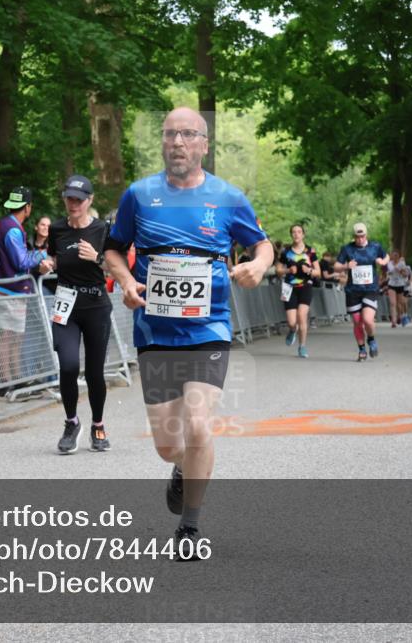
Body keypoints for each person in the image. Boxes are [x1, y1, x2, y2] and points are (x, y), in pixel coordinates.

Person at [103, 107, 273, 556]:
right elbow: (114, 250)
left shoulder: (228, 197)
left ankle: (190, 528)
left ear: (203, 144)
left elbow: (262, 244)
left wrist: (257, 264)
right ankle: (181, 467)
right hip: (155, 331)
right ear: (162, 142)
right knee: (166, 445)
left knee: (199, 425)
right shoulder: (139, 195)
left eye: (187, 134)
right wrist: (126, 281)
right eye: (170, 134)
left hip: (209, 328)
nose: (177, 142)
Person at [46, 175, 114, 453]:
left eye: (79, 199)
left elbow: (115, 268)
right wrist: (47, 263)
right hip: (66, 304)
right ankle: (71, 422)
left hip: (96, 305)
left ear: (90, 201)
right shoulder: (57, 229)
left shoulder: (102, 229)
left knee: (95, 372)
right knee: (69, 365)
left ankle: (98, 425)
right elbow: (54, 258)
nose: (73, 204)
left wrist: (96, 258)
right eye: (69, 198)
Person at [0, 187, 54, 397]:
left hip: (13, 289)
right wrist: (44, 253)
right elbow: (22, 261)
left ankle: (18, 380)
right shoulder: (13, 229)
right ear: (28, 207)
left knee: (16, 336)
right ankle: (6, 383)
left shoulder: (5, 224)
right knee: (8, 335)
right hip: (9, 289)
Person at [335, 223, 389, 360]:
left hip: (370, 289)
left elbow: (386, 256)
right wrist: (346, 266)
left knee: (368, 320)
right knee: (357, 322)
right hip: (353, 290)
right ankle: (361, 349)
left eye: (362, 236)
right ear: (354, 236)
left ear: (366, 235)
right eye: (357, 237)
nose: (360, 239)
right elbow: (336, 266)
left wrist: (382, 262)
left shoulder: (375, 246)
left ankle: (371, 339)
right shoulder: (347, 248)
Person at [276, 224, 319, 358]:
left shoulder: (310, 251)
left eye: (299, 232)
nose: (296, 234)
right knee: (291, 322)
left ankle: (302, 346)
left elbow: (318, 272)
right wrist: (288, 270)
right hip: (288, 288)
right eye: (294, 232)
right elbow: (278, 270)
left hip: (305, 286)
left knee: (302, 316)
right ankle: (292, 330)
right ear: (291, 235)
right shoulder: (285, 251)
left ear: (303, 235)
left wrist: (310, 270)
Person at [385, 251, 411, 328]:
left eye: (397, 255)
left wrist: (400, 271)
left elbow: (406, 274)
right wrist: (389, 273)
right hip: (391, 285)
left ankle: (401, 316)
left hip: (400, 285)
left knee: (400, 304)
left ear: (399, 256)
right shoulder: (389, 263)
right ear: (392, 256)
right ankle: (393, 321)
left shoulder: (402, 263)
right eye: (394, 255)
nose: (395, 257)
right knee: (393, 303)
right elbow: (389, 272)